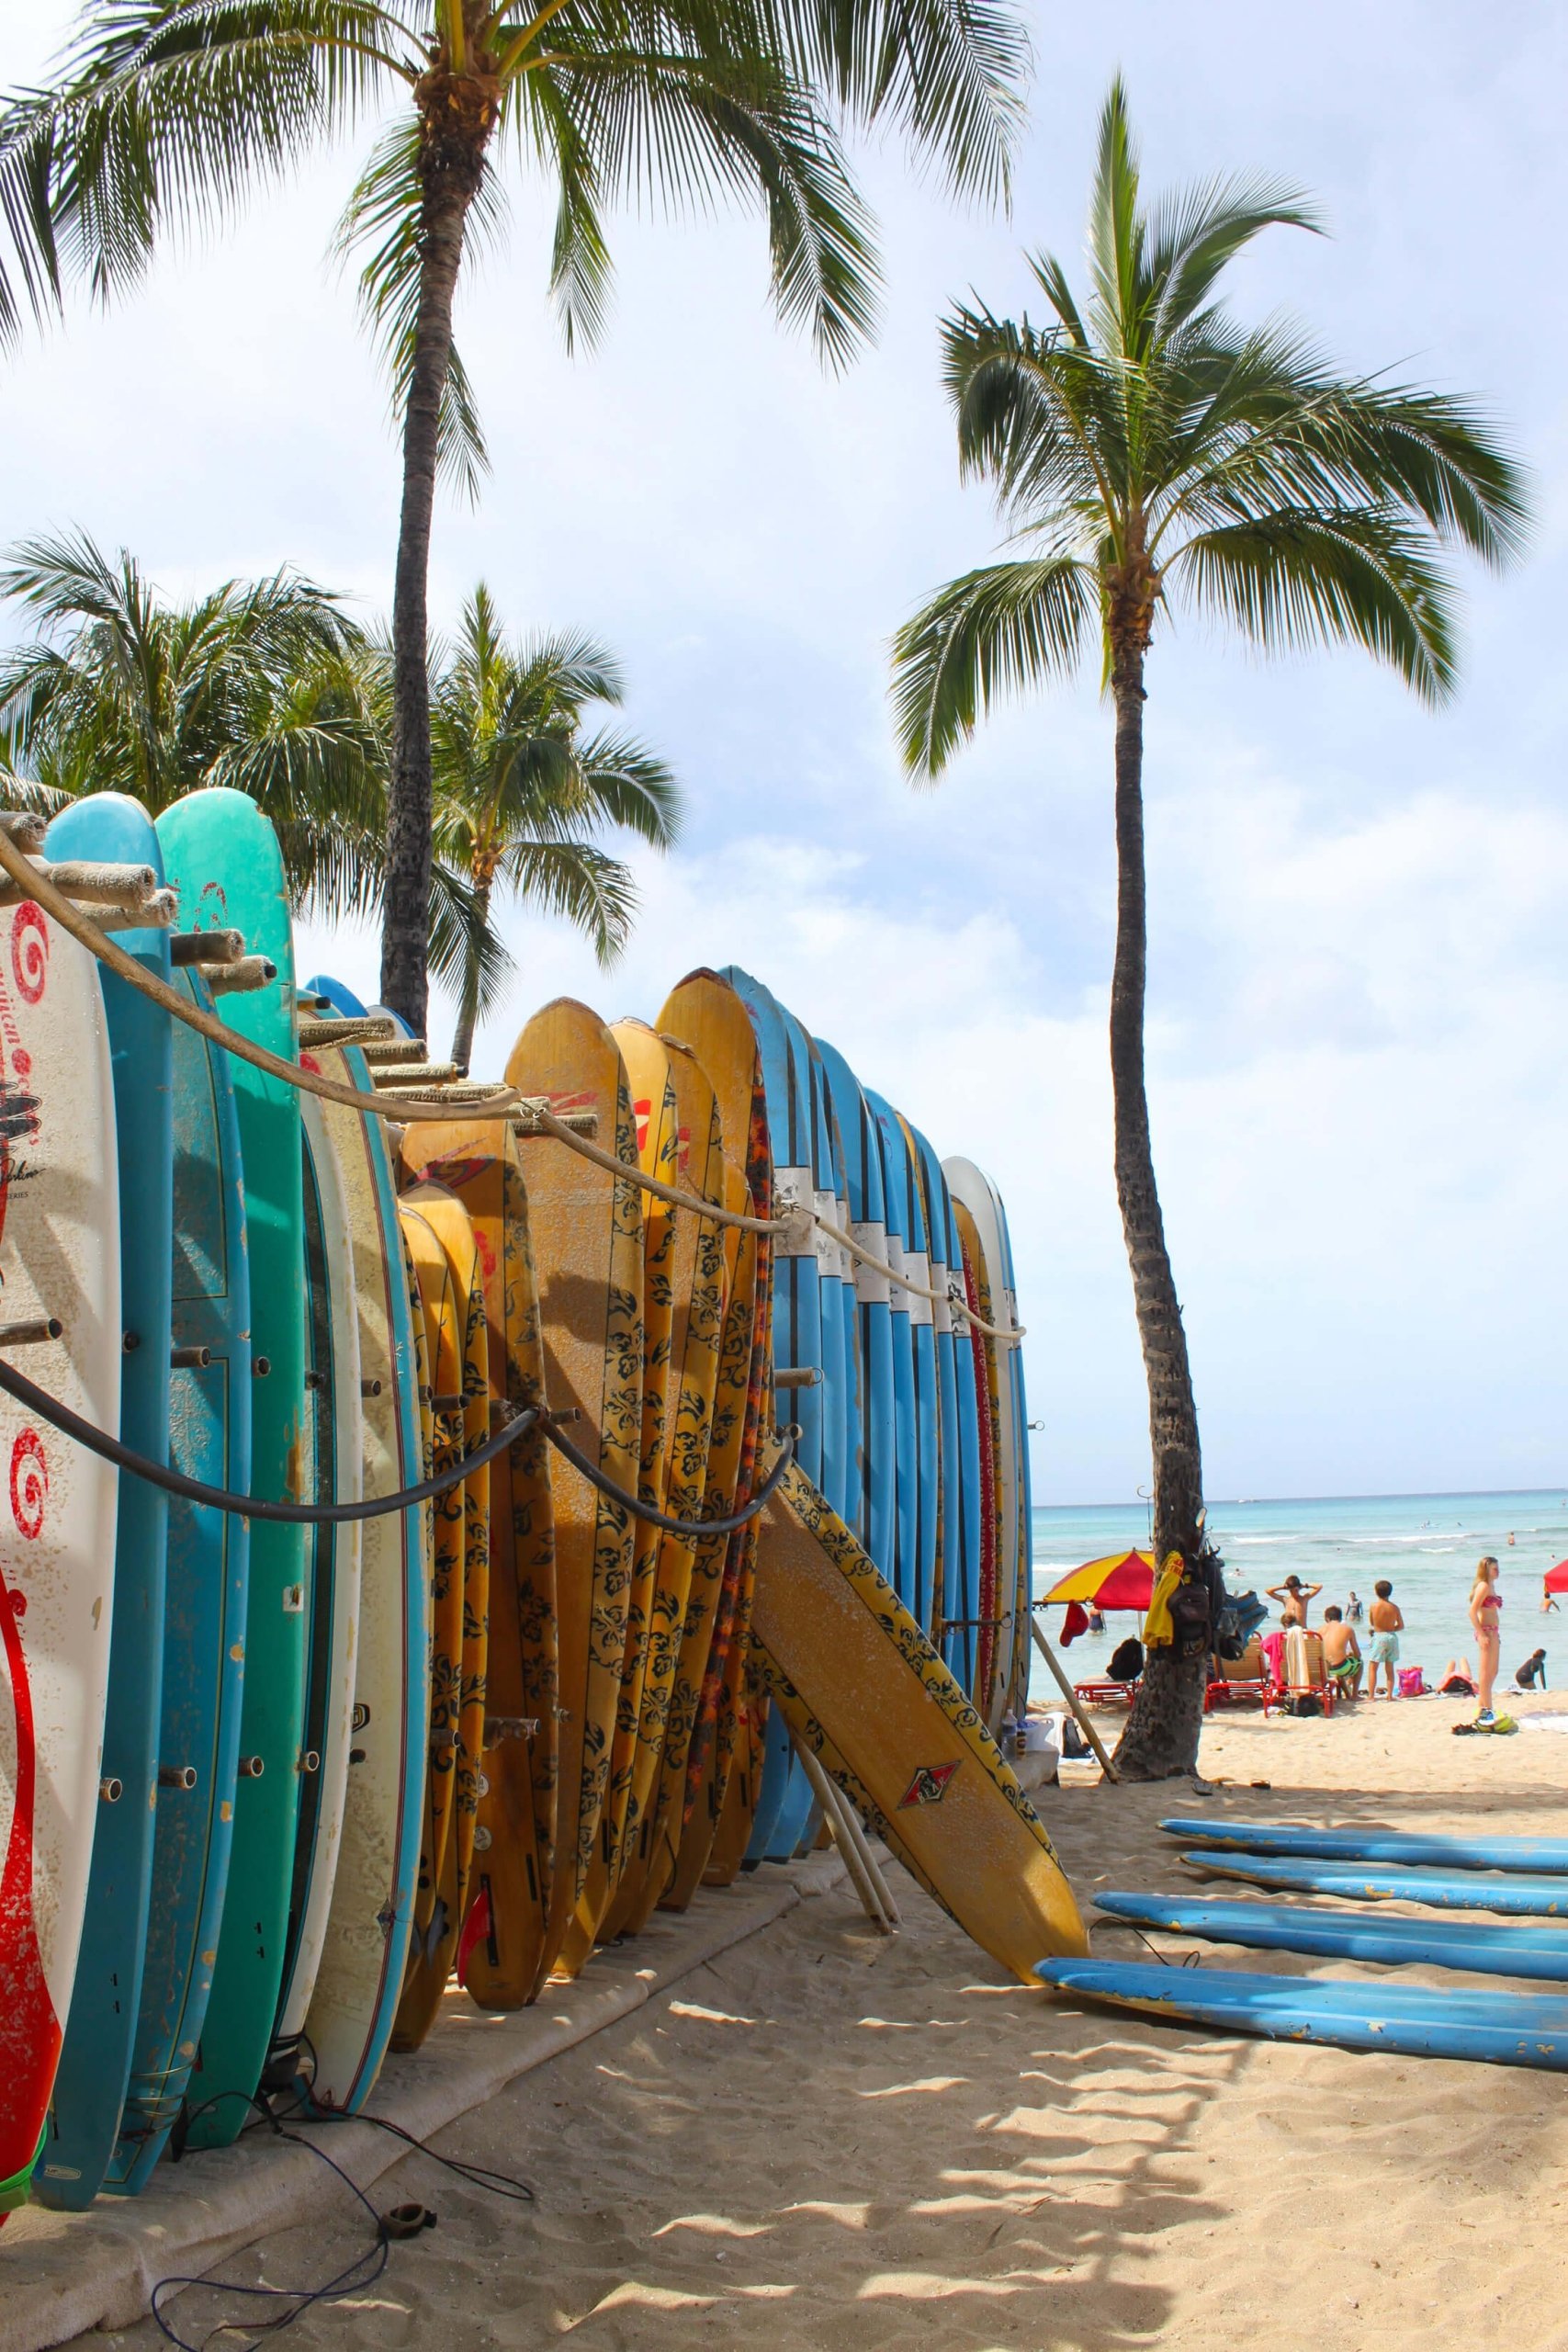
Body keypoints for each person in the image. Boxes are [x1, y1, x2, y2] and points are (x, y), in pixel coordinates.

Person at [1470, 1555, 1502, 1724]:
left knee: (1493, 1671)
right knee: (1485, 1672)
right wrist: (1481, 1634)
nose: (1498, 1571)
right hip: (1486, 1632)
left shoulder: (1491, 1585)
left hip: (1493, 1632)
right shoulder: (1483, 1586)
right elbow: (1472, 1611)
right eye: (1495, 1568)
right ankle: (1487, 1710)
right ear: (1486, 1569)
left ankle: (1482, 1705)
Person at [1367, 1579, 1404, 1699]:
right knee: (1389, 1667)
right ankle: (1389, 1695)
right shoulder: (1394, 1607)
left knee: (1373, 1667)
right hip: (1391, 1637)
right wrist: (1391, 1628)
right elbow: (1401, 1626)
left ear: (1376, 1592)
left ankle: (1371, 1696)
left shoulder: (1373, 1606)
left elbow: (1372, 1622)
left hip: (1379, 1637)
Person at [1320, 1605, 1361, 1698]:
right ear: (1340, 1617)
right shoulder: (1348, 1629)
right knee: (1360, 1663)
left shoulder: (1320, 1630)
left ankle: (1343, 1694)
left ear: (1327, 1618)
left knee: (1339, 1665)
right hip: (1340, 1668)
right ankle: (1355, 1695)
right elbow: (1358, 1654)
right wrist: (1350, 1655)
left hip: (1324, 1669)